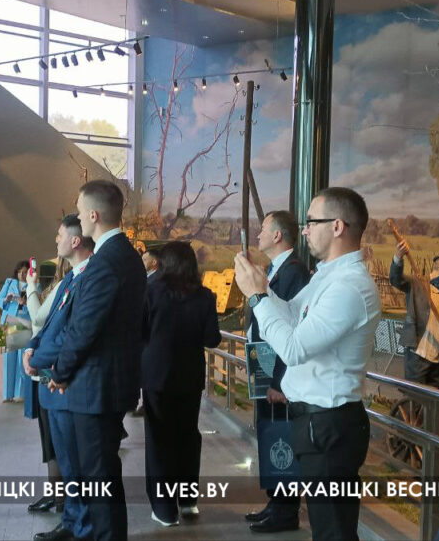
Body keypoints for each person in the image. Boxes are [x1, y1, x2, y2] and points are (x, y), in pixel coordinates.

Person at [234, 187, 381, 541]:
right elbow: (289, 314)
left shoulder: (349, 286)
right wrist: (263, 289)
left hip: (330, 424)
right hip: (316, 423)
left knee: (332, 531)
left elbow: (294, 347)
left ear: (337, 226)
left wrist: (257, 297)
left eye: (312, 221)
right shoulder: (327, 277)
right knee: (327, 528)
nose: (304, 230)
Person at [47, 179, 147, 541]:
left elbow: (84, 327)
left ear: (93, 215)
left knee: (99, 476)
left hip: (96, 386)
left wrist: (60, 371)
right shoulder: (127, 256)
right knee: (100, 473)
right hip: (109, 382)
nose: (76, 217)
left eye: (78, 210)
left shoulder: (106, 262)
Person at [23, 215, 96, 541]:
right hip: (54, 385)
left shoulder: (90, 277)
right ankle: (71, 521)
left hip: (69, 384)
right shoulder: (70, 278)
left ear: (75, 241)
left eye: (59, 235)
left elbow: (73, 333)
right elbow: (50, 322)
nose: (56, 240)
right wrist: (32, 346)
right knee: (66, 461)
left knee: (77, 463)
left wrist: (38, 358)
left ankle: (82, 526)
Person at [141, 241, 221, 527]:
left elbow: (140, 332)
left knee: (159, 440)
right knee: (187, 437)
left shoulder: (150, 292)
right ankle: (187, 501)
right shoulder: (205, 296)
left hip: (156, 377)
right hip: (189, 378)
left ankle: (164, 510)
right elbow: (212, 339)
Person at [243, 210, 310, 533]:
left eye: (263, 229)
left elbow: (291, 329)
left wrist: (280, 382)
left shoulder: (294, 272)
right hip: (265, 367)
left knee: (281, 438)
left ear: (278, 235)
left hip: (278, 373)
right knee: (270, 435)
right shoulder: (274, 270)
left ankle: (285, 511)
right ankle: (275, 503)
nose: (258, 234)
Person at [22, 256, 70, 516]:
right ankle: (56, 494)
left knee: (55, 439)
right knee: (49, 438)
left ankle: (61, 498)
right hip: (44, 364)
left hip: (53, 369)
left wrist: (30, 286)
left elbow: (38, 318)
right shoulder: (61, 285)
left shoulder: (68, 284)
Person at [390, 246, 439, 388]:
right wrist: (398, 258)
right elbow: (396, 280)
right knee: (415, 394)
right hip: (418, 355)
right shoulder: (418, 284)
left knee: (436, 395)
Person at [0, 260, 31, 402]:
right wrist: (6, 300)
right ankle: (7, 395)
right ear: (16, 272)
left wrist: (25, 304)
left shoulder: (35, 286)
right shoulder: (9, 283)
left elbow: (38, 306)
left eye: (25, 272)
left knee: (22, 360)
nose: (22, 275)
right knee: (8, 360)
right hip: (8, 323)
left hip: (25, 323)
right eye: (20, 272)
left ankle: (22, 393)